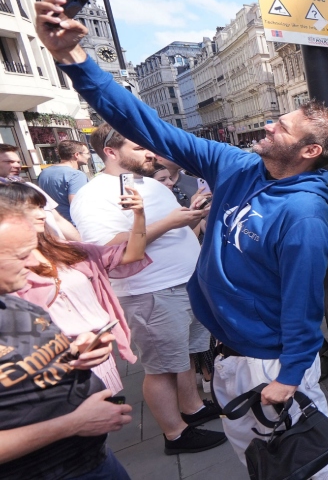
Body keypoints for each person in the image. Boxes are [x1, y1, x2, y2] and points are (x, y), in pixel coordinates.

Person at [36, 0, 328, 479]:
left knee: (316, 468)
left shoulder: (302, 217)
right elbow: (150, 127)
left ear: (309, 150)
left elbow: (304, 308)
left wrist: (290, 378)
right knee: (265, 466)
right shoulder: (237, 165)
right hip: (229, 359)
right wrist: (74, 58)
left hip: (269, 367)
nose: (267, 125)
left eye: (280, 127)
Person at [71, 124, 224, 455]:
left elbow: (171, 229)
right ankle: (175, 434)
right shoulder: (93, 195)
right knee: (161, 367)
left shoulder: (147, 183)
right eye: (139, 148)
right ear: (110, 152)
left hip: (185, 283)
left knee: (182, 355)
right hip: (151, 292)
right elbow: (109, 251)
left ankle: (193, 408)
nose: (149, 152)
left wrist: (190, 216)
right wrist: (168, 223)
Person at [0, 200, 134, 480]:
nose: (37, 262)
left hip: (92, 460)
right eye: (22, 254)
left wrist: (74, 355)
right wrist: (74, 424)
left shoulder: (13, 301)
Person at [3, 178, 148, 395]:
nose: (42, 214)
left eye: (41, 207)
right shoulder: (7, 273)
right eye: (29, 209)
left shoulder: (71, 251)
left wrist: (139, 216)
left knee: (106, 415)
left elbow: (132, 254)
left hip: (96, 350)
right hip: (51, 365)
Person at [0, 143, 82, 241]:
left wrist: (85, 246)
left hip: (56, 249)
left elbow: (57, 220)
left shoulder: (30, 187)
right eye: (9, 162)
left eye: (18, 162)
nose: (17, 165)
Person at [35, 140, 91, 222]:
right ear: (77, 155)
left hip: (53, 223)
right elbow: (78, 206)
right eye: (87, 153)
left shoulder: (44, 173)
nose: (89, 156)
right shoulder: (76, 175)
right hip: (73, 225)